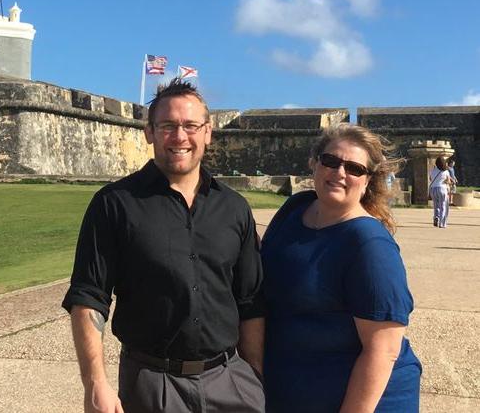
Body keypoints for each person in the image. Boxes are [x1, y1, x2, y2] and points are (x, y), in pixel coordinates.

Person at [62, 78, 265, 413]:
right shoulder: (115, 204)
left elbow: (251, 301)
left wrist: (255, 377)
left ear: (208, 132)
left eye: (190, 125)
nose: (180, 137)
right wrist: (95, 383)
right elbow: (89, 296)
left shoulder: (234, 208)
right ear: (149, 132)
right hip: (153, 382)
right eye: (168, 125)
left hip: (229, 379)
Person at [261, 124, 421, 412]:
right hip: (293, 390)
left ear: (368, 180)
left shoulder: (369, 244)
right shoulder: (296, 208)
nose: (339, 173)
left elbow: (382, 350)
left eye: (355, 168)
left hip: (359, 401)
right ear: (314, 163)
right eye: (331, 161)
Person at [429, 156, 451, 228]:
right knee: (443, 206)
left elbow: (430, 179)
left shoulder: (433, 170)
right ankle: (442, 223)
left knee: (436, 205)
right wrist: (445, 181)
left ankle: (436, 217)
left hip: (433, 189)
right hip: (442, 189)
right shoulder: (446, 171)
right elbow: (448, 181)